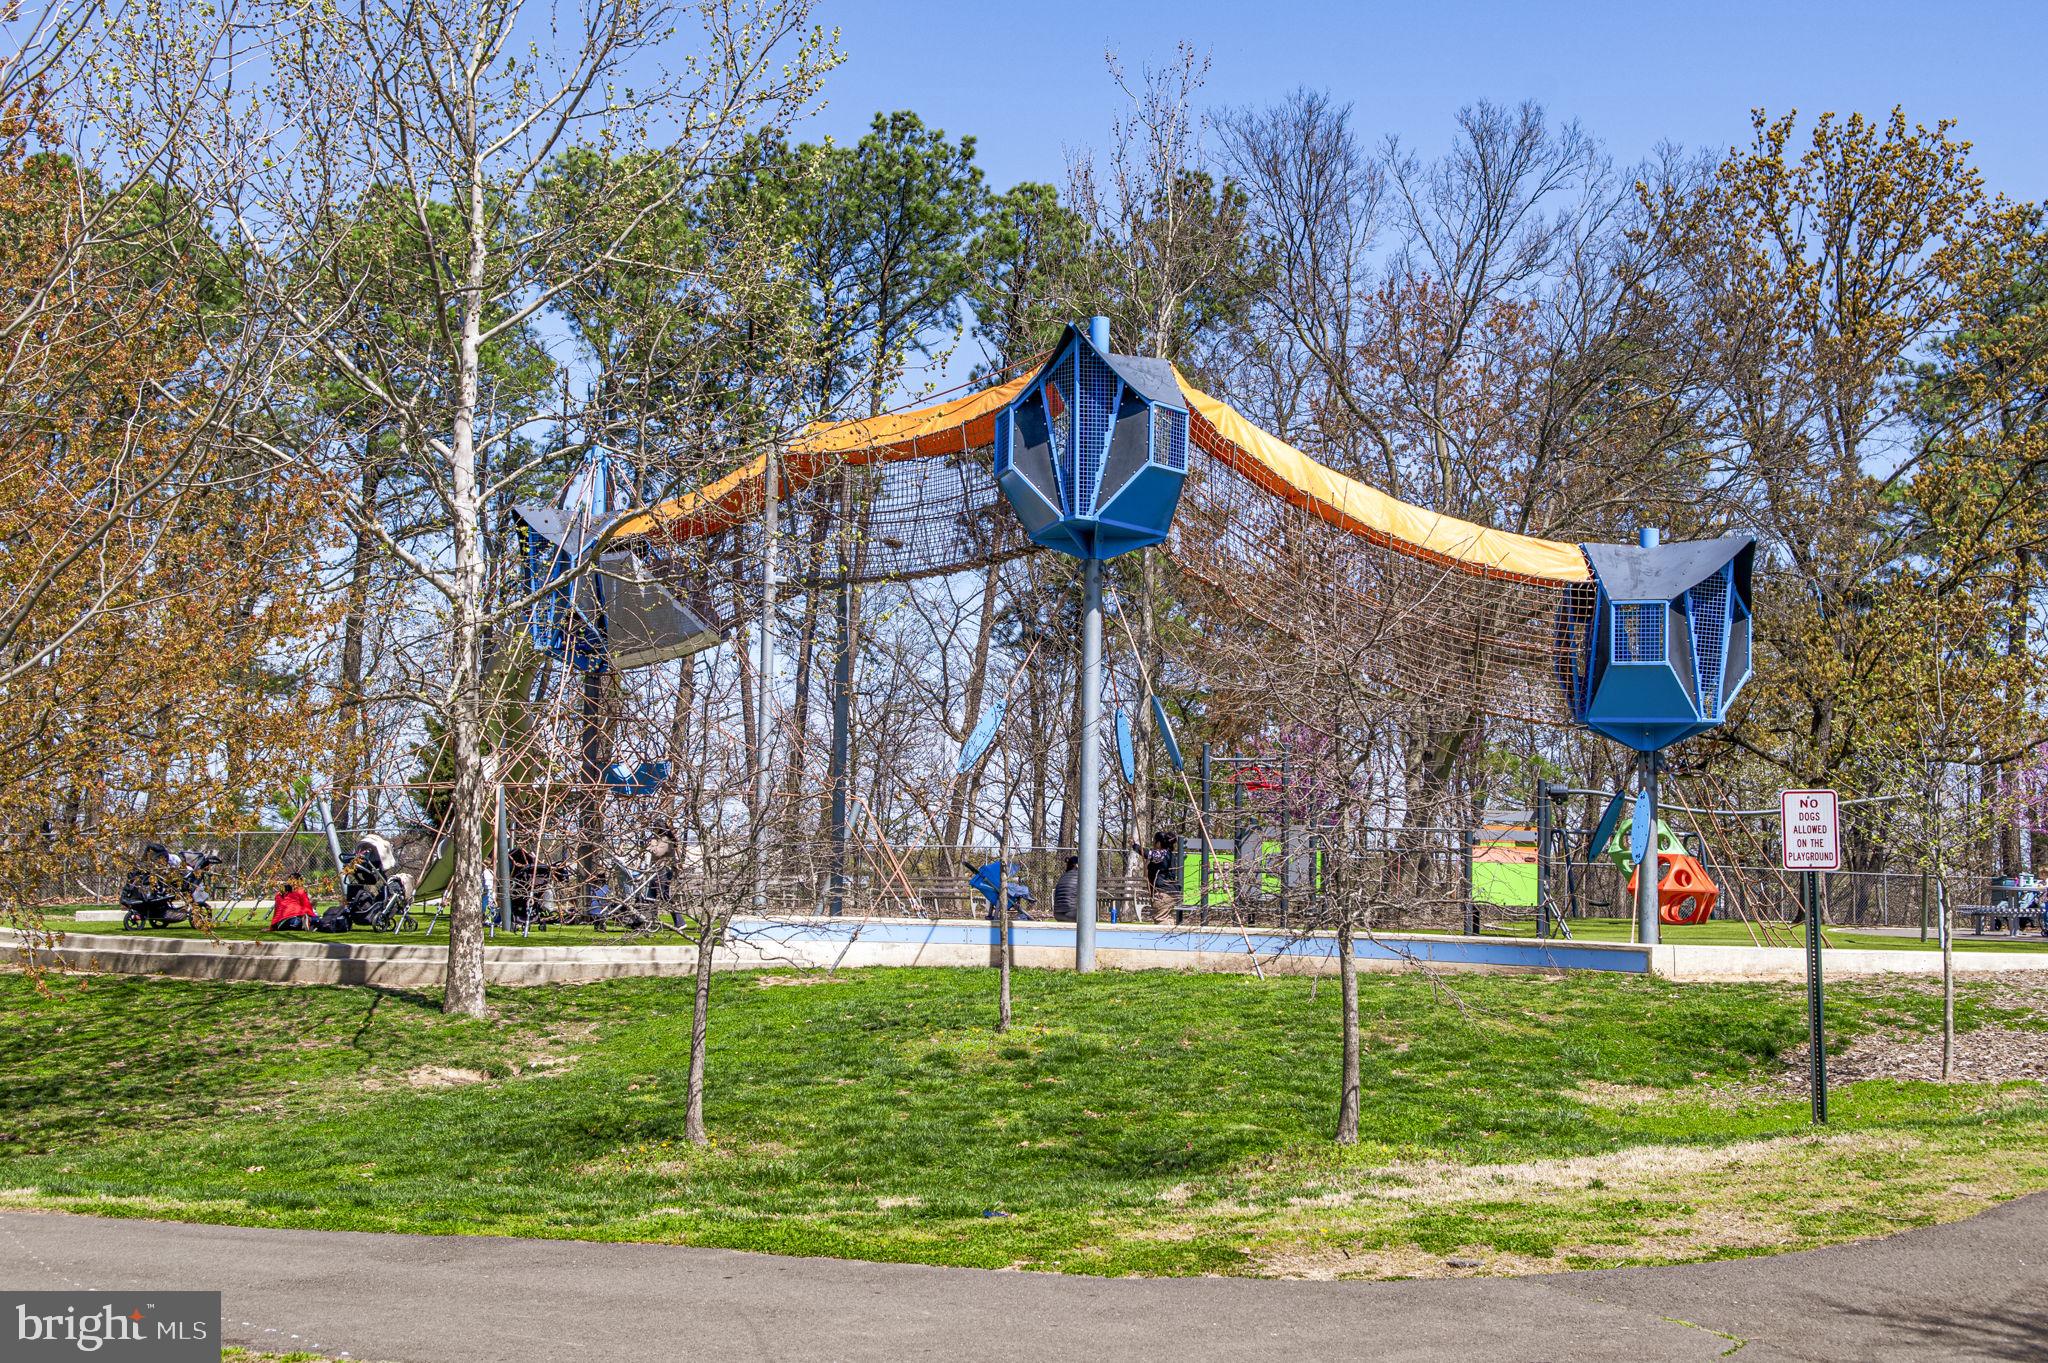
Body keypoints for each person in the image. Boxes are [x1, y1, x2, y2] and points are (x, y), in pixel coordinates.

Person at [1131, 831, 1177, 923]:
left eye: (1154, 841)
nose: (1153, 843)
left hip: (1162, 892)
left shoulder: (1162, 854)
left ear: (1159, 843)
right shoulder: (1170, 855)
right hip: (1171, 892)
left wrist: (1134, 845)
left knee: (1160, 919)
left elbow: (1147, 853)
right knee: (1167, 918)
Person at [1052, 855, 1081, 923]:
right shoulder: (1081, 876)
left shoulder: (1063, 876)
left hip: (1057, 915)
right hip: (1072, 915)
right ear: (1077, 865)